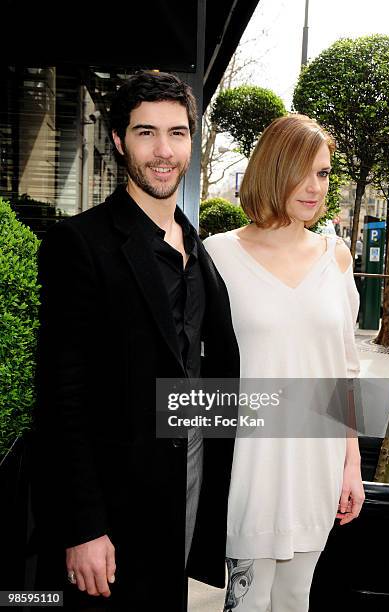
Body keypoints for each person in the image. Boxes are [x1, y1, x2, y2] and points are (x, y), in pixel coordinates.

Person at [31, 70, 239, 611]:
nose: (163, 151)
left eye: (176, 133)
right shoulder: (81, 243)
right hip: (115, 512)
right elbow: (62, 399)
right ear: (120, 141)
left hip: (186, 493)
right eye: (146, 133)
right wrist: (84, 526)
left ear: (192, 141)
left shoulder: (199, 251)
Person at [204, 114, 365, 612]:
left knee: (297, 599)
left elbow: (343, 369)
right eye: (304, 172)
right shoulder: (216, 256)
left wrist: (351, 463)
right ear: (273, 170)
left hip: (314, 463)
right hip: (248, 468)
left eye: (323, 173)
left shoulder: (336, 257)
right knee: (245, 604)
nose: (316, 188)